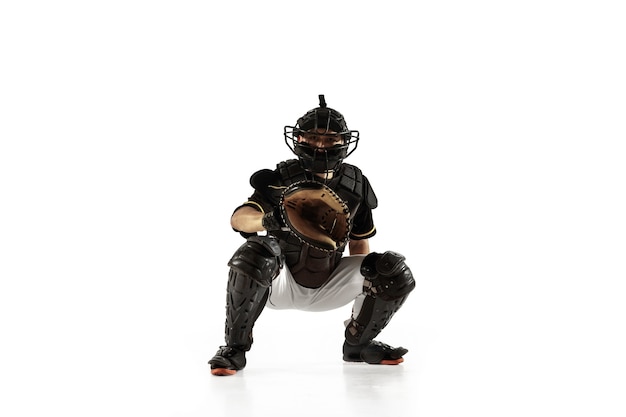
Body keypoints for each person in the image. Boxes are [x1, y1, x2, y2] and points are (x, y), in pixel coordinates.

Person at [208, 95, 415, 376]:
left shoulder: (355, 185)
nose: (321, 144)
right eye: (313, 137)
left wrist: (364, 289)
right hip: (278, 282)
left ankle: (359, 344)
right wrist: (272, 218)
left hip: (329, 280)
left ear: (344, 142)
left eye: (330, 138)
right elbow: (238, 218)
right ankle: (235, 349)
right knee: (256, 250)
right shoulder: (282, 177)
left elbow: (359, 243)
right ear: (299, 139)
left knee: (392, 270)